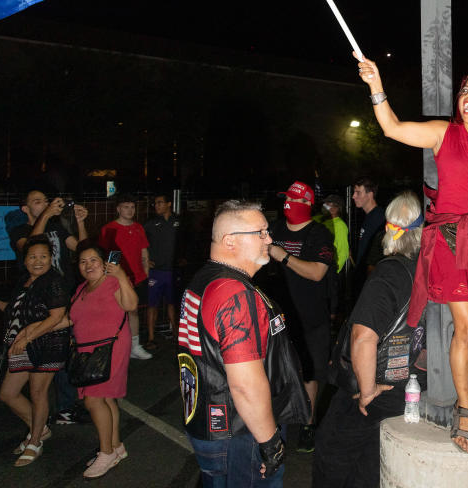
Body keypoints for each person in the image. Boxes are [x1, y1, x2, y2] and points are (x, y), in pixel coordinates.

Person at [356, 54, 468, 454]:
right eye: (464, 90)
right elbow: (393, 127)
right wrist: (375, 85)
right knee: (465, 327)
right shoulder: (443, 133)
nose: (467, 96)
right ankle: (463, 406)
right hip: (452, 238)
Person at [179, 200, 310, 488]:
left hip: (212, 423)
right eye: (260, 232)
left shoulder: (205, 278)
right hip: (240, 431)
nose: (269, 239)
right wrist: (269, 441)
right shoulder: (234, 293)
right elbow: (245, 384)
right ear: (230, 242)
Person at [312, 192, 424, 487]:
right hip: (407, 387)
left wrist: (366, 390)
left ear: (389, 229)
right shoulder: (428, 270)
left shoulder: (390, 272)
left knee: (331, 456)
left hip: (376, 387)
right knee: (371, 464)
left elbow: (363, 337)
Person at [265, 181, 336, 453]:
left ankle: (307, 423)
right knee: (275, 371)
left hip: (310, 316)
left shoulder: (319, 234)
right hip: (277, 315)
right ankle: (271, 425)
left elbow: (317, 272)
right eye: (286, 199)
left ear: (307, 204)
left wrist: (283, 257)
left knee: (309, 373)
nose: (287, 204)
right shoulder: (275, 229)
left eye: (293, 199)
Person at [9, 190, 88, 425]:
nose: (44, 204)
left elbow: (81, 248)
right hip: (38, 302)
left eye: (45, 201)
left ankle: (65, 407)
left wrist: (81, 223)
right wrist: (46, 215)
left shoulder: (57, 227)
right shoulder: (20, 230)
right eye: (37, 202)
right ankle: (46, 411)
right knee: (41, 353)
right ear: (25, 209)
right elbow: (29, 247)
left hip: (63, 296)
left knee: (64, 352)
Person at [0, 236, 71, 467]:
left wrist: (27, 336)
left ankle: (35, 440)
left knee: (39, 393)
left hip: (46, 344)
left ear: (51, 258)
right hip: (23, 343)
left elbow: (57, 317)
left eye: (43, 257)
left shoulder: (54, 281)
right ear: (25, 259)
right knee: (8, 393)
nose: (37, 261)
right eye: (32, 256)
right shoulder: (24, 280)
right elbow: (18, 309)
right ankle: (40, 428)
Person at [69, 241, 138, 478]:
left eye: (93, 260)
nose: (88, 265)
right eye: (82, 261)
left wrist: (120, 275)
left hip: (111, 348)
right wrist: (33, 331)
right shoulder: (81, 289)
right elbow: (70, 319)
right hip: (87, 352)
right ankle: (116, 447)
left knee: (93, 400)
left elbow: (131, 304)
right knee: (106, 399)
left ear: (104, 262)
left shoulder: (112, 282)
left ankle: (106, 453)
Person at [99, 193, 153, 360]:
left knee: (134, 312)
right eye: (126, 207)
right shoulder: (110, 229)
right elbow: (108, 255)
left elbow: (144, 252)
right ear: (118, 209)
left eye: (132, 207)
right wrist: (114, 277)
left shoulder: (138, 227)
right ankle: (115, 347)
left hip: (138, 277)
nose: (130, 210)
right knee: (116, 313)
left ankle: (134, 346)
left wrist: (145, 274)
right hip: (119, 277)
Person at [143, 193, 182, 349]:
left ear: (169, 204)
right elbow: (141, 245)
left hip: (172, 271)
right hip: (156, 272)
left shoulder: (178, 222)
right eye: (155, 203)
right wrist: (145, 261)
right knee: (152, 305)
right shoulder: (150, 224)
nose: (157, 206)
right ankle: (151, 338)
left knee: (173, 303)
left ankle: (176, 335)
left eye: (160, 202)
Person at [350, 178, 384, 303]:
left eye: (358, 192)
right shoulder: (368, 217)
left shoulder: (379, 218)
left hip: (370, 282)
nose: (353, 196)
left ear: (370, 195)